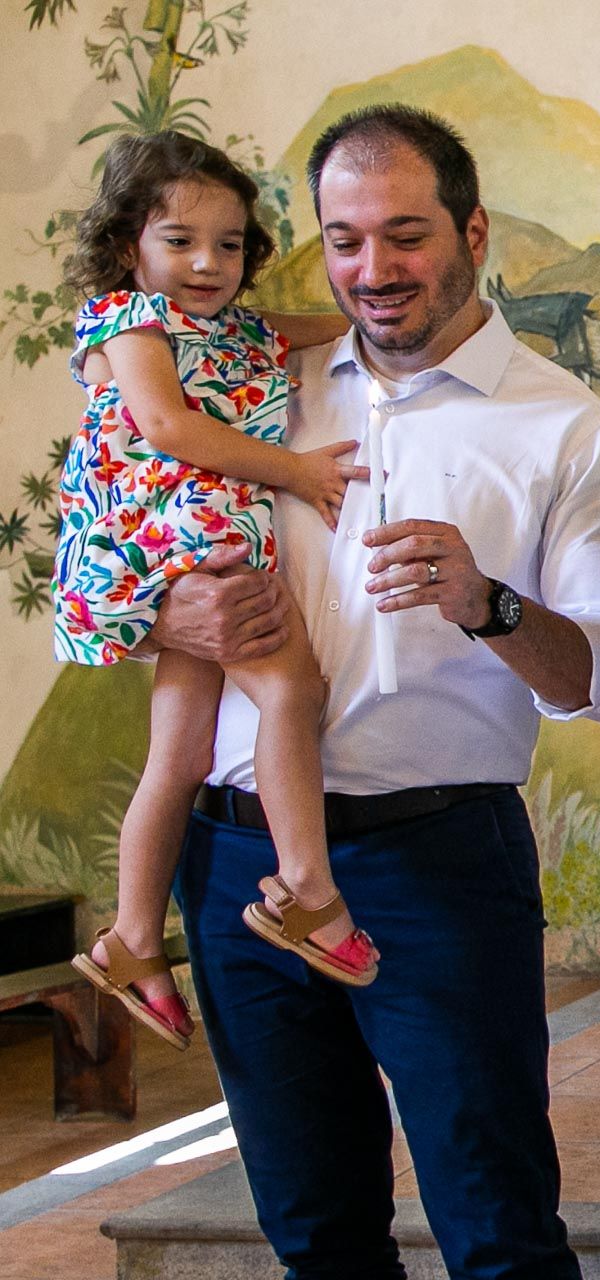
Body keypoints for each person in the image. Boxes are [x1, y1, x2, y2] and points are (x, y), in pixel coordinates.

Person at [152, 105, 600, 1279]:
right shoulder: (250, 389)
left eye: (406, 234)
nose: (372, 268)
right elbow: (122, 551)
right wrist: (170, 619)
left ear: (473, 233)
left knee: (497, 1228)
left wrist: (488, 602)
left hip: (436, 861)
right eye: (344, 240)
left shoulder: (564, 427)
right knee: (313, 1233)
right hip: (236, 859)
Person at [58, 130, 370, 1054]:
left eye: (229, 244)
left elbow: (330, 325)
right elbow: (164, 424)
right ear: (128, 245)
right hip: (183, 540)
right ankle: (308, 888)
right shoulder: (129, 323)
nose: (207, 263)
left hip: (195, 540)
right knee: (291, 690)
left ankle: (131, 939)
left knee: (180, 753)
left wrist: (369, 316)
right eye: (180, 240)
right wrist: (296, 471)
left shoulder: (237, 331)